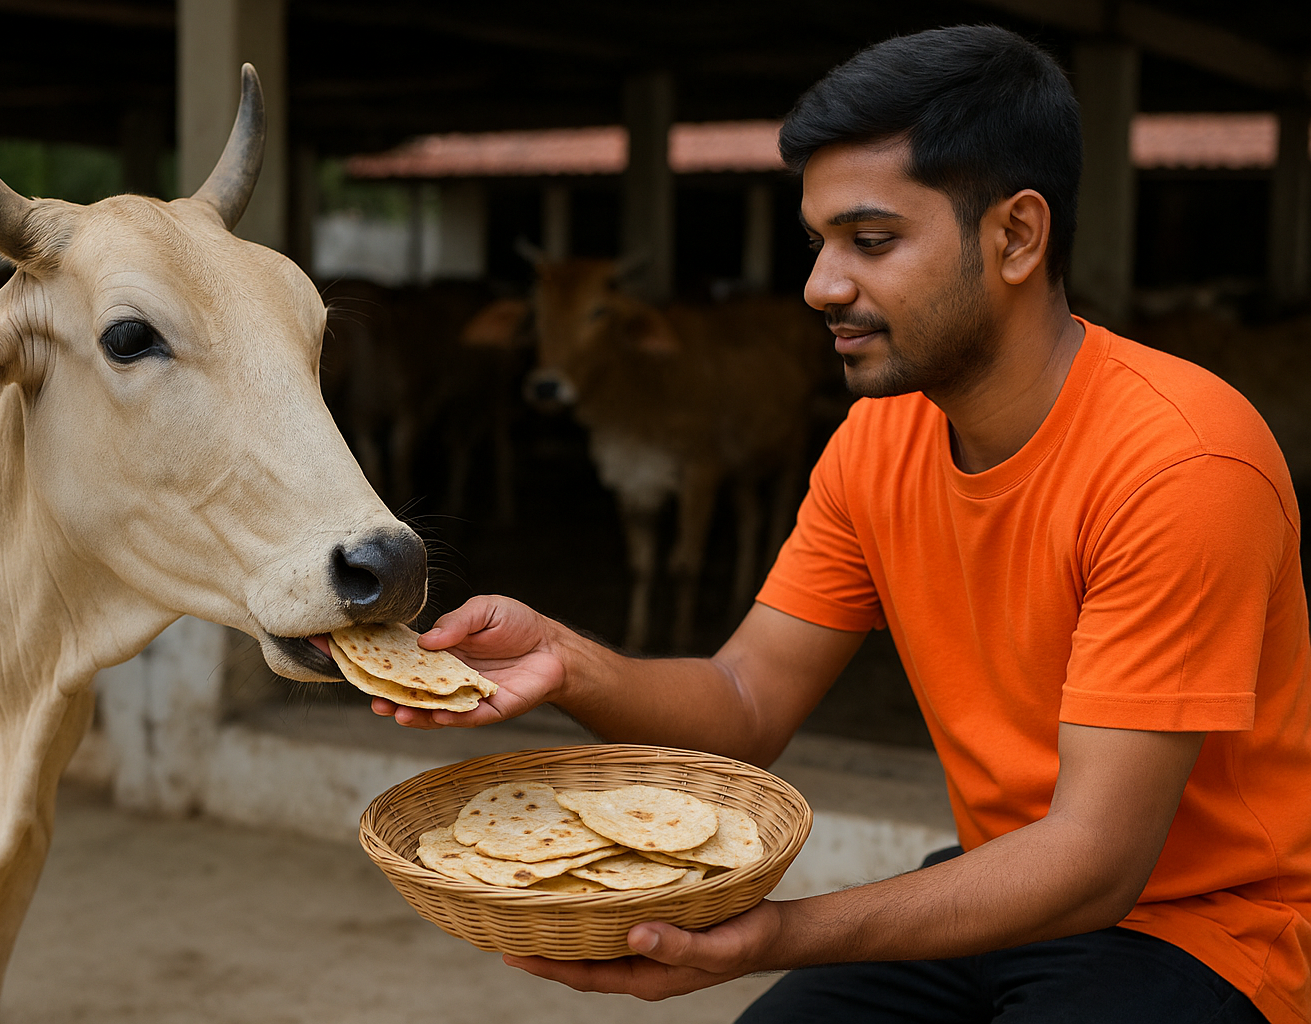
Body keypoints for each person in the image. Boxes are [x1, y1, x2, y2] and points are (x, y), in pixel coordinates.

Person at [371, 24, 1310, 1024]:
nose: (821, 285)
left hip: (1205, 929)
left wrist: (775, 933)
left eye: (871, 240)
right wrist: (568, 661)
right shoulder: (877, 443)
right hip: (1000, 891)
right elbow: (743, 703)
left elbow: (1095, 860)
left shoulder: (1178, 462)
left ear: (1016, 237)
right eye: (819, 242)